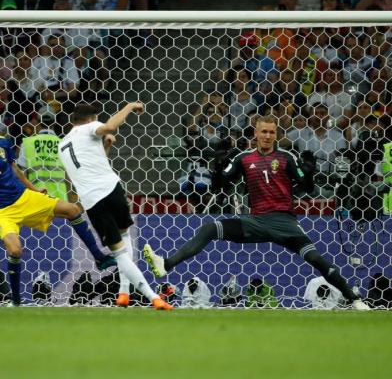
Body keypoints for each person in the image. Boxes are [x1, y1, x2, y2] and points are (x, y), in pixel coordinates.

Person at [144, 115, 370, 310]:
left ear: (276, 134)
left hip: (285, 222)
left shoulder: (286, 157)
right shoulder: (244, 158)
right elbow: (221, 185)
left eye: (272, 132)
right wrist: (217, 165)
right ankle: (166, 264)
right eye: (264, 131)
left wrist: (308, 172)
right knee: (209, 228)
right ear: (256, 133)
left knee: (317, 260)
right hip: (256, 221)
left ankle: (353, 298)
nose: (268, 136)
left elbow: (307, 188)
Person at [59, 103, 172, 310]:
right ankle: (147, 295)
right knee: (125, 235)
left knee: (119, 251)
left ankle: (126, 292)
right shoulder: (89, 127)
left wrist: (106, 147)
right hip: (111, 189)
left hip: (92, 201)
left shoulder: (62, 145)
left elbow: (90, 163)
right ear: (92, 118)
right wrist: (129, 107)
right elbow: (110, 127)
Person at [0, 123, 115, 307]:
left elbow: (16, 170)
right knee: (15, 250)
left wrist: (35, 189)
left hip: (23, 197)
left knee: (73, 210)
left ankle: (99, 257)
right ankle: (15, 301)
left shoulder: (4, 143)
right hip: (3, 212)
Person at [17, 106, 68, 201]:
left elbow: (20, 175)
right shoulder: (63, 144)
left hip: (37, 198)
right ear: (55, 121)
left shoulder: (27, 143)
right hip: (60, 200)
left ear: (37, 121)